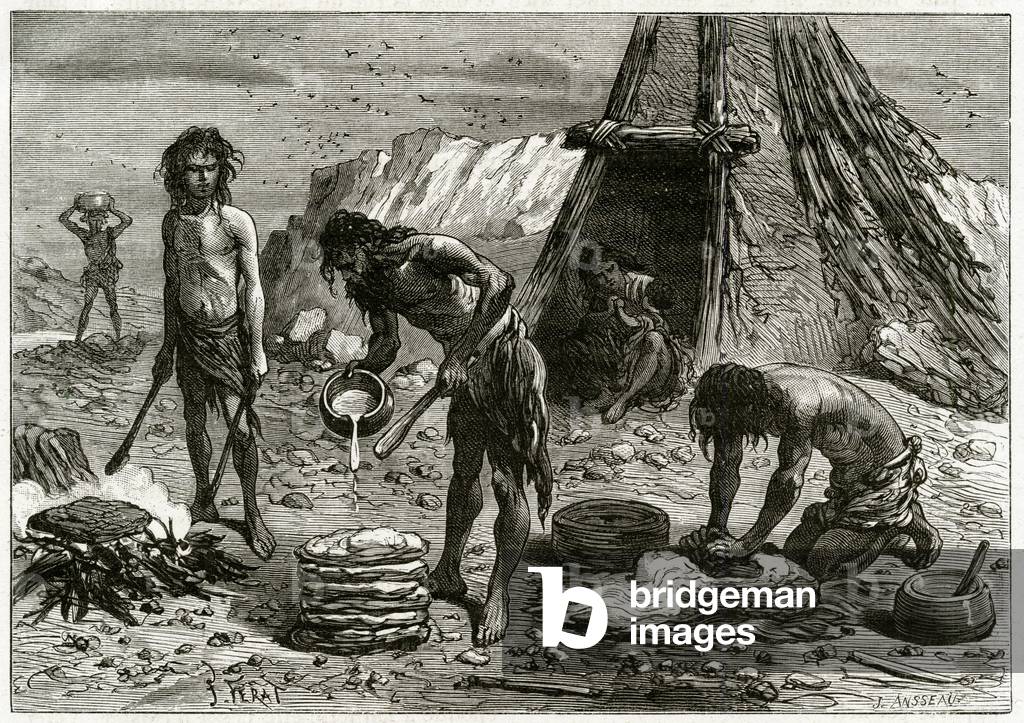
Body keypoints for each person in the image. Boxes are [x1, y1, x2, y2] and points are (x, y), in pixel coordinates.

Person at [318, 209, 554, 646]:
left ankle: (498, 592)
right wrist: (362, 371)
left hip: (505, 359)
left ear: (366, 248)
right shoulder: (372, 287)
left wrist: (460, 355)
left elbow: (500, 283)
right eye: (340, 267)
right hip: (464, 370)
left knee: (506, 482)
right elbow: (387, 344)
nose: (346, 274)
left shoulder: (427, 251)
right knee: (465, 472)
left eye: (349, 262)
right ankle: (448, 570)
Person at [683, 362, 942, 581]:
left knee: (821, 566)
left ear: (749, 410)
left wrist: (746, 544)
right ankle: (883, 521)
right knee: (795, 552)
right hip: (847, 481)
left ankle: (899, 522)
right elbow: (726, 464)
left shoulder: (796, 403)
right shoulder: (733, 397)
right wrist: (717, 529)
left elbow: (788, 481)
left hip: (884, 479)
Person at [152, 126, 275, 560]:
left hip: (228, 337)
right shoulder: (172, 224)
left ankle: (252, 511)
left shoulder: (236, 222)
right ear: (178, 175)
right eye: (192, 170)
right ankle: (204, 495)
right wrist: (167, 348)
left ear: (221, 171)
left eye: (209, 168)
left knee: (240, 429)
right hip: (188, 336)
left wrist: (257, 350)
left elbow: (253, 289)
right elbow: (172, 284)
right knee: (194, 422)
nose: (202, 177)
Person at [59, 195, 132, 342]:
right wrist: (74, 207)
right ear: (86, 219)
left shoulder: (109, 234)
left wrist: (112, 209)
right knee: (87, 304)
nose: (96, 221)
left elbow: (127, 221)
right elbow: (63, 219)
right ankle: (78, 339)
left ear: (104, 220)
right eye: (92, 217)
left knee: (113, 305)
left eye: (99, 218)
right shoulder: (85, 235)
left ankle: (118, 338)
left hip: (107, 274)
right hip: (92, 274)